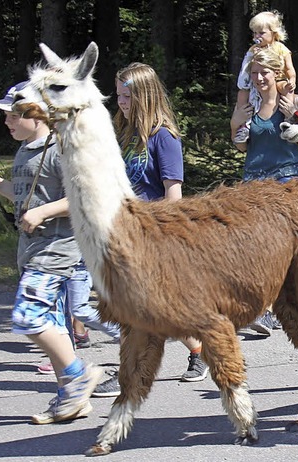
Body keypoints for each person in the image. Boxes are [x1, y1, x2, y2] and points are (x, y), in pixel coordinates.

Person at [0, 81, 103, 424]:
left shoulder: (60, 147)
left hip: (58, 248)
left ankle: (79, 375)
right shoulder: (27, 149)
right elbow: (27, 198)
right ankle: (70, 399)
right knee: (54, 323)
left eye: (15, 114)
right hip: (32, 249)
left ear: (39, 113)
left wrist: (44, 213)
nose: (7, 121)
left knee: (28, 316)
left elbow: (86, 196)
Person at [92, 62, 208, 398]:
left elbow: (174, 196)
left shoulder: (164, 137)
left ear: (144, 95)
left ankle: (129, 374)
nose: (121, 102)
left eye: (127, 96)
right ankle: (199, 347)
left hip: (152, 235)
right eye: (118, 95)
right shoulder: (127, 134)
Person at [230, 47, 298, 335]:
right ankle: (263, 310)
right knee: (254, 247)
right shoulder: (249, 106)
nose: (258, 78)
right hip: (254, 180)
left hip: (286, 179)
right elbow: (241, 146)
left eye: (264, 72)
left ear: (276, 74)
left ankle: (288, 306)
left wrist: (295, 116)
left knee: (284, 248)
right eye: (254, 73)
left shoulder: (291, 102)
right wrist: (235, 124)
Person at [233, 10, 297, 144]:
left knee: (287, 89)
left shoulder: (281, 48)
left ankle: (288, 118)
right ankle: (244, 125)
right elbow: (247, 69)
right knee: (242, 94)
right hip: (256, 83)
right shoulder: (253, 49)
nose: (257, 36)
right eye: (255, 33)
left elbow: (290, 68)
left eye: (261, 33)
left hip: (278, 80)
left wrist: (291, 80)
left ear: (273, 33)